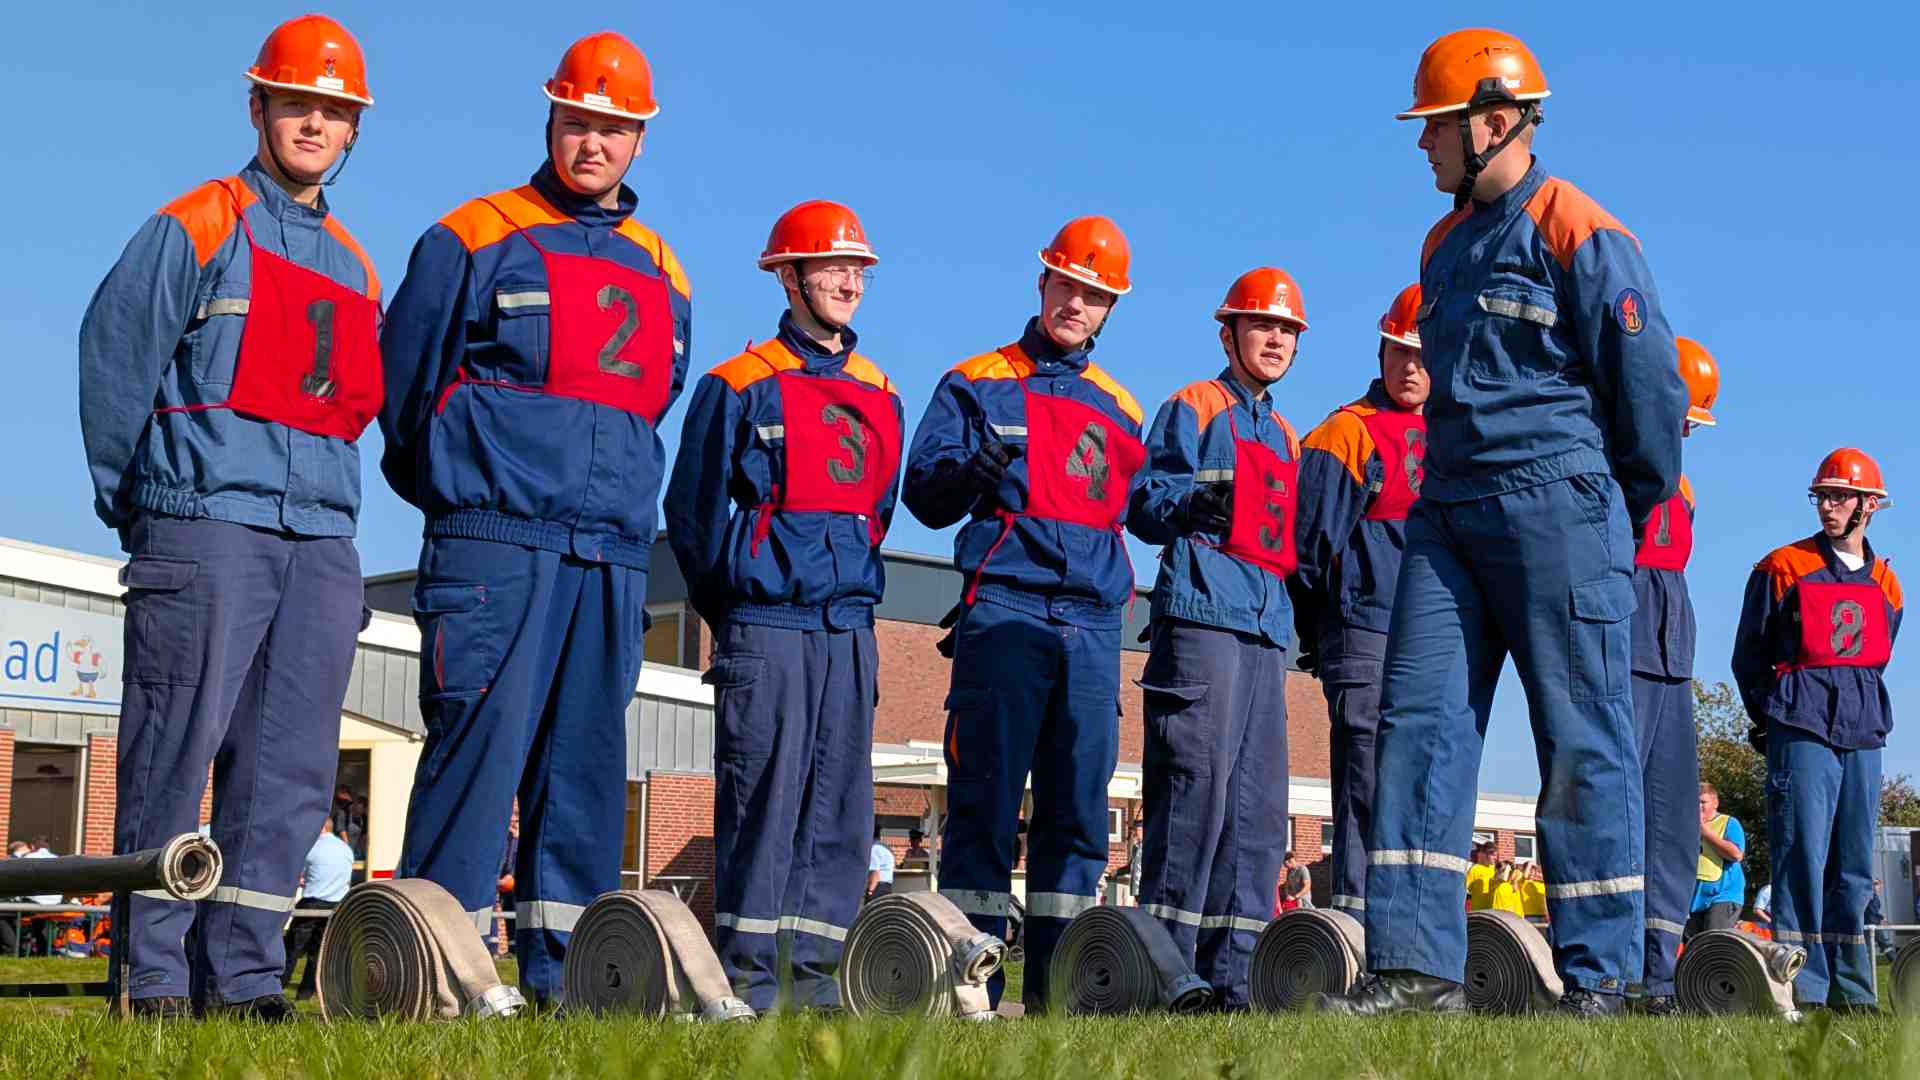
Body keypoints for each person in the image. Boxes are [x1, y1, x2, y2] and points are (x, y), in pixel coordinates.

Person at [1318, 27, 1686, 1020]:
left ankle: (1604, 983)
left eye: (1435, 125)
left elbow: (1648, 398)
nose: (1422, 145)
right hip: (1447, 519)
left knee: (1583, 738)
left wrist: (1616, 507)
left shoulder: (1580, 228)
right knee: (1419, 728)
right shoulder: (1439, 247)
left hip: (1561, 503)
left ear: (1494, 121)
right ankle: (1413, 970)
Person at [78, 14, 381, 1021]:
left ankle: (243, 980)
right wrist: (141, 508)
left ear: (351, 131)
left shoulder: (354, 267)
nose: (313, 123)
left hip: (321, 546)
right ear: (258, 107)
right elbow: (113, 355)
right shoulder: (197, 223)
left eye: (332, 111)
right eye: (296, 102)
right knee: (172, 758)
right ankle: (155, 982)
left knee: (289, 778)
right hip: (205, 528)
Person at [379, 31, 691, 1008]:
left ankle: (568, 989)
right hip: (495, 543)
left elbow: (652, 401)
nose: (592, 143)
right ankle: (430, 980)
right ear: (550, 120)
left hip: (608, 555)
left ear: (640, 141)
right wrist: (468, 490)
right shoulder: (472, 235)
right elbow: (402, 391)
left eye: (614, 129)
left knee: (586, 777)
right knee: (478, 757)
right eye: (578, 122)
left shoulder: (664, 271)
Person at [904, 216, 1146, 1013]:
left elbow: (1137, 509)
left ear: (1111, 310)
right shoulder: (974, 381)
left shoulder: (1120, 410)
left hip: (1091, 627)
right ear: (1042, 282)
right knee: (984, 804)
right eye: (1069, 285)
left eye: (1097, 295)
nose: (1078, 303)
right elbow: (925, 497)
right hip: (1004, 609)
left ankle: (1059, 994)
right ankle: (970, 996)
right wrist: (970, 470)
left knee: (1079, 814)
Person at [665, 200, 900, 1011]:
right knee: (763, 803)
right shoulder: (736, 385)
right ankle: (749, 984)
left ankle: (817, 982)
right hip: (766, 626)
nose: (848, 283)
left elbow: (879, 514)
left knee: (838, 813)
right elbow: (691, 518)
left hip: (849, 629)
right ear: (788, 276)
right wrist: (736, 602)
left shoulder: (882, 393)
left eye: (858, 271)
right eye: (833, 268)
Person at [1128, 267, 1308, 1007]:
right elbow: (1143, 500)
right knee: (1192, 796)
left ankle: (1234, 982)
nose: (1275, 340)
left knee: (1258, 812)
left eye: (1287, 331)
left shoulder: (1288, 435)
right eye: (1262, 325)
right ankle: (1166, 976)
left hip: (1266, 634)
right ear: (1227, 331)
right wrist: (1199, 497)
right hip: (1202, 617)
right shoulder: (1193, 406)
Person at [1732, 448, 1901, 1013]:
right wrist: (1772, 719)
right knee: (1800, 854)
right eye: (1821, 496)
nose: (1828, 506)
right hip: (1800, 725)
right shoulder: (1780, 566)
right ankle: (1799, 987)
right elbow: (1748, 656)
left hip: (1863, 733)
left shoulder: (1887, 581)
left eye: (1840, 496)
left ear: (1869, 506)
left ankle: (1854, 993)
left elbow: (1878, 658)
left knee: (1854, 866)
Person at [1293, 283, 1428, 917]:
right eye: (1400, 352)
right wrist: (1324, 633)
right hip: (1364, 628)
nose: (1411, 368)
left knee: (1423, 782)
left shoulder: (1456, 435)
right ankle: (1355, 921)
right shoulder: (1344, 433)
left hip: (1432, 638)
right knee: (1366, 779)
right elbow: (1309, 549)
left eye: (1424, 356)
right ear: (1380, 353)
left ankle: (1412, 928)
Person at [1634, 337, 1720, 1016]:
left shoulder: (1683, 486)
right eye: (1684, 417)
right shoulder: (1614, 464)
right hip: (1622, 651)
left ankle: (1659, 971)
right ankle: (1608, 964)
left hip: (1672, 661)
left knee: (1672, 824)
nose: (1687, 431)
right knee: (1615, 808)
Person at [281, 818, 353, 999]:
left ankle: (277, 986)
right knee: (317, 953)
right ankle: (305, 993)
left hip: (312, 904)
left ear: (320, 828)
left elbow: (296, 874)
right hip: (335, 906)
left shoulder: (312, 848)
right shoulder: (346, 849)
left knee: (291, 949)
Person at [1686, 783, 1745, 940]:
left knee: (1712, 946)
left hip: (1723, 897)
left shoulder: (1729, 823)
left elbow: (1736, 854)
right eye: (1695, 802)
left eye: (1702, 802)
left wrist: (1705, 832)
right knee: (1693, 950)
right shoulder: (1687, 828)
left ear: (1715, 803)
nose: (1698, 806)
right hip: (1695, 900)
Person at [866, 828, 896, 904]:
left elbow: (875, 872)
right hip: (887, 887)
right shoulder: (886, 848)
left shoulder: (874, 849)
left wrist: (870, 891)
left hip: (877, 887)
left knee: (870, 914)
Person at [1464, 843, 1496, 912]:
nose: (1495, 858)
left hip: (1493, 910)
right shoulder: (1474, 869)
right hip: (1479, 910)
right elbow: (1466, 889)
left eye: (1496, 855)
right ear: (1485, 855)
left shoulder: (1495, 869)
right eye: (1493, 855)